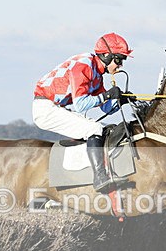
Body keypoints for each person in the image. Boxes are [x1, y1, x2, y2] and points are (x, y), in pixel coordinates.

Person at [32, 32, 135, 192]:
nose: (120, 65)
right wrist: (107, 95)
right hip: (46, 108)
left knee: (101, 128)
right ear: (107, 55)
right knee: (94, 129)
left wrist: (122, 100)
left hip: (56, 107)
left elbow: (106, 108)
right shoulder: (84, 65)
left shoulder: (97, 75)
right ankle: (100, 177)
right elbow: (81, 104)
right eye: (119, 59)